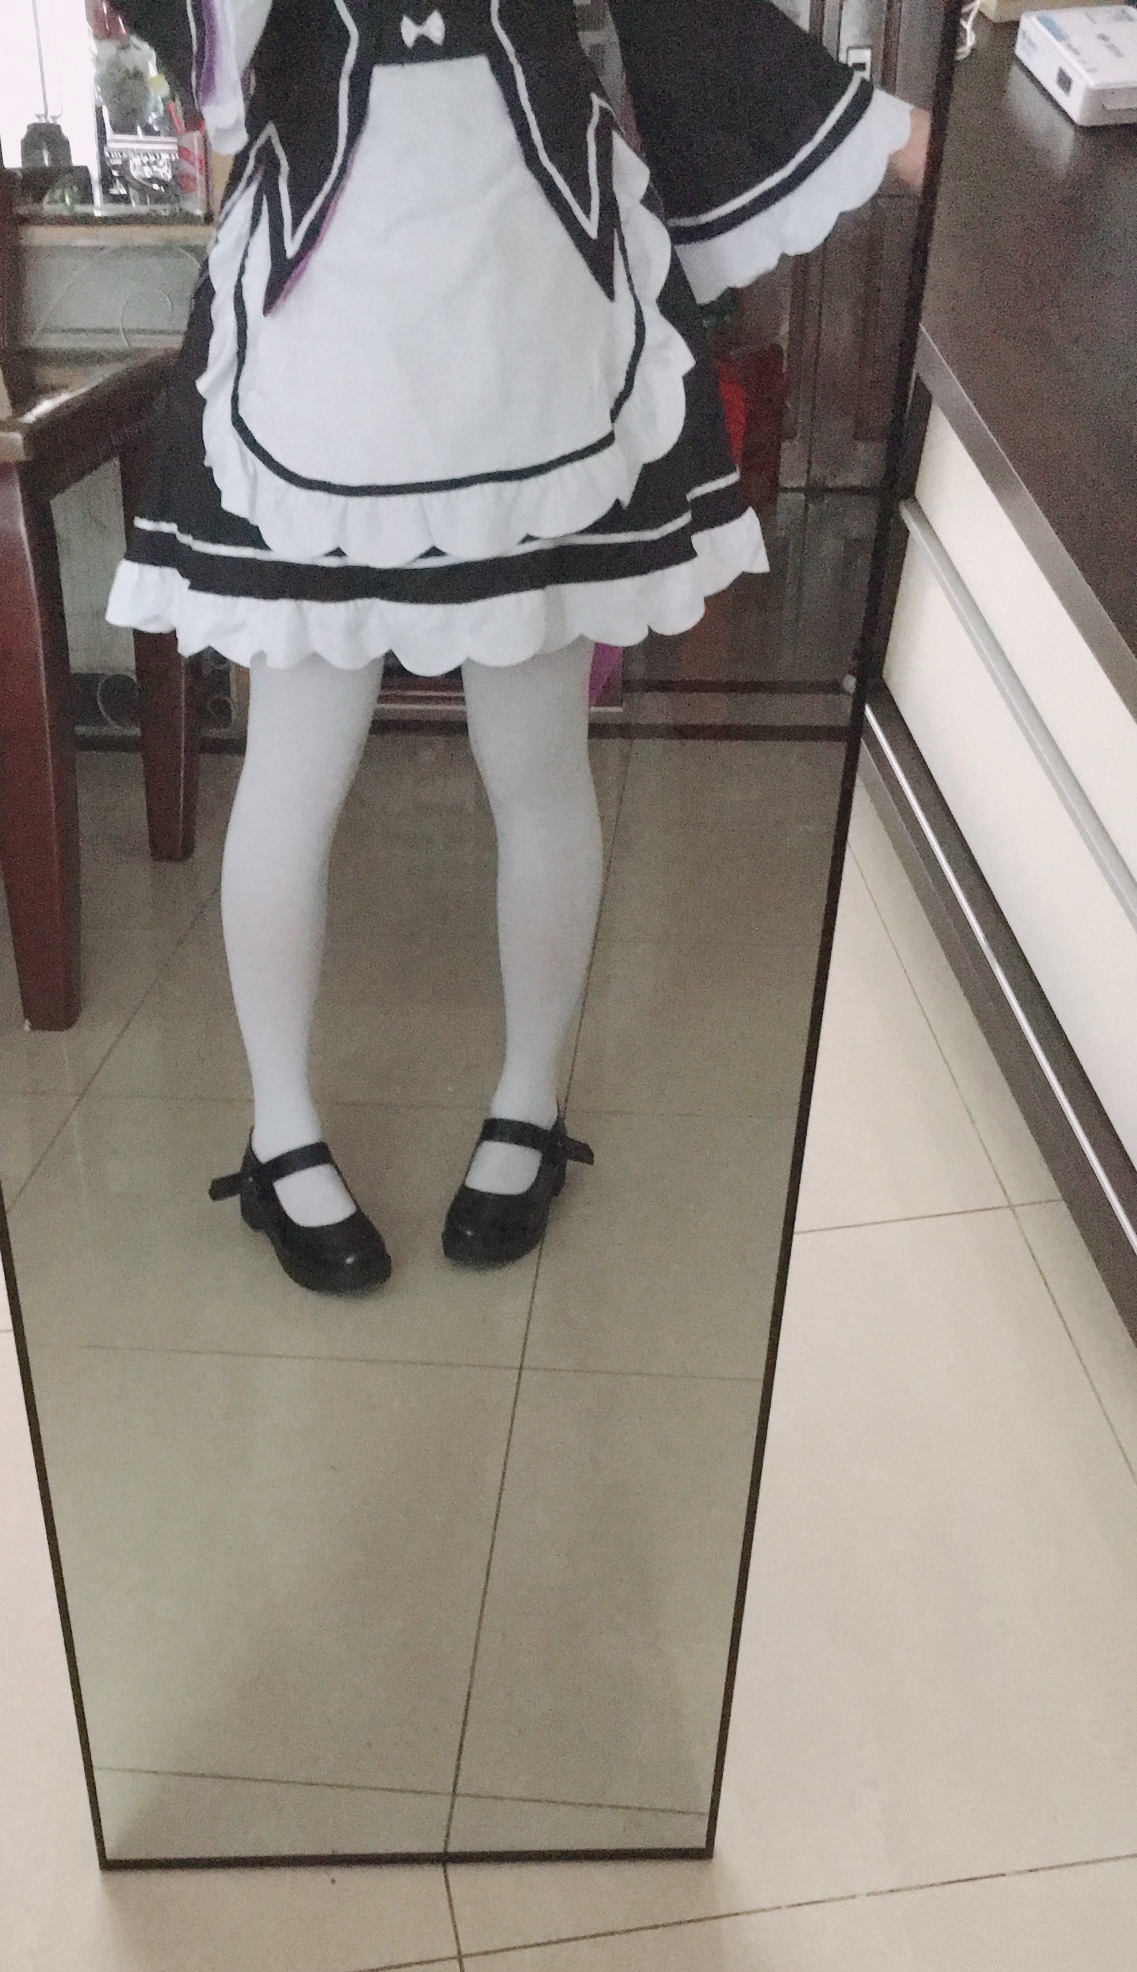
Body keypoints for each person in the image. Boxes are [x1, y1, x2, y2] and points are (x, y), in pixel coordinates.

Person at [110, 0, 929, 1294]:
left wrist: (894, 134)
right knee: (293, 768)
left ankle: (529, 1104)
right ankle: (280, 1132)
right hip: (324, 304)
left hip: (534, 289)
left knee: (536, 760)